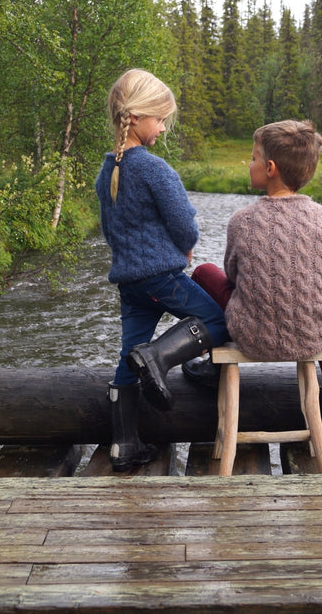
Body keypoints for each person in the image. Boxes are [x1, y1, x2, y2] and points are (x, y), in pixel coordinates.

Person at [183, 119, 322, 458]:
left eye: (253, 157)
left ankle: (213, 362)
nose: (249, 163)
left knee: (204, 272)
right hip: (312, 332)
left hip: (249, 333)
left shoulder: (241, 221)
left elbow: (232, 275)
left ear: (270, 168)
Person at [95, 68, 229, 472]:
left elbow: (110, 228)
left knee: (126, 356)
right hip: (160, 278)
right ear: (136, 117)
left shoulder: (109, 170)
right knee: (220, 321)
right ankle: (159, 357)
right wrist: (183, 246)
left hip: (130, 282)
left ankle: (124, 446)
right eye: (160, 118)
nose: (164, 126)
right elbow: (185, 224)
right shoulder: (153, 168)